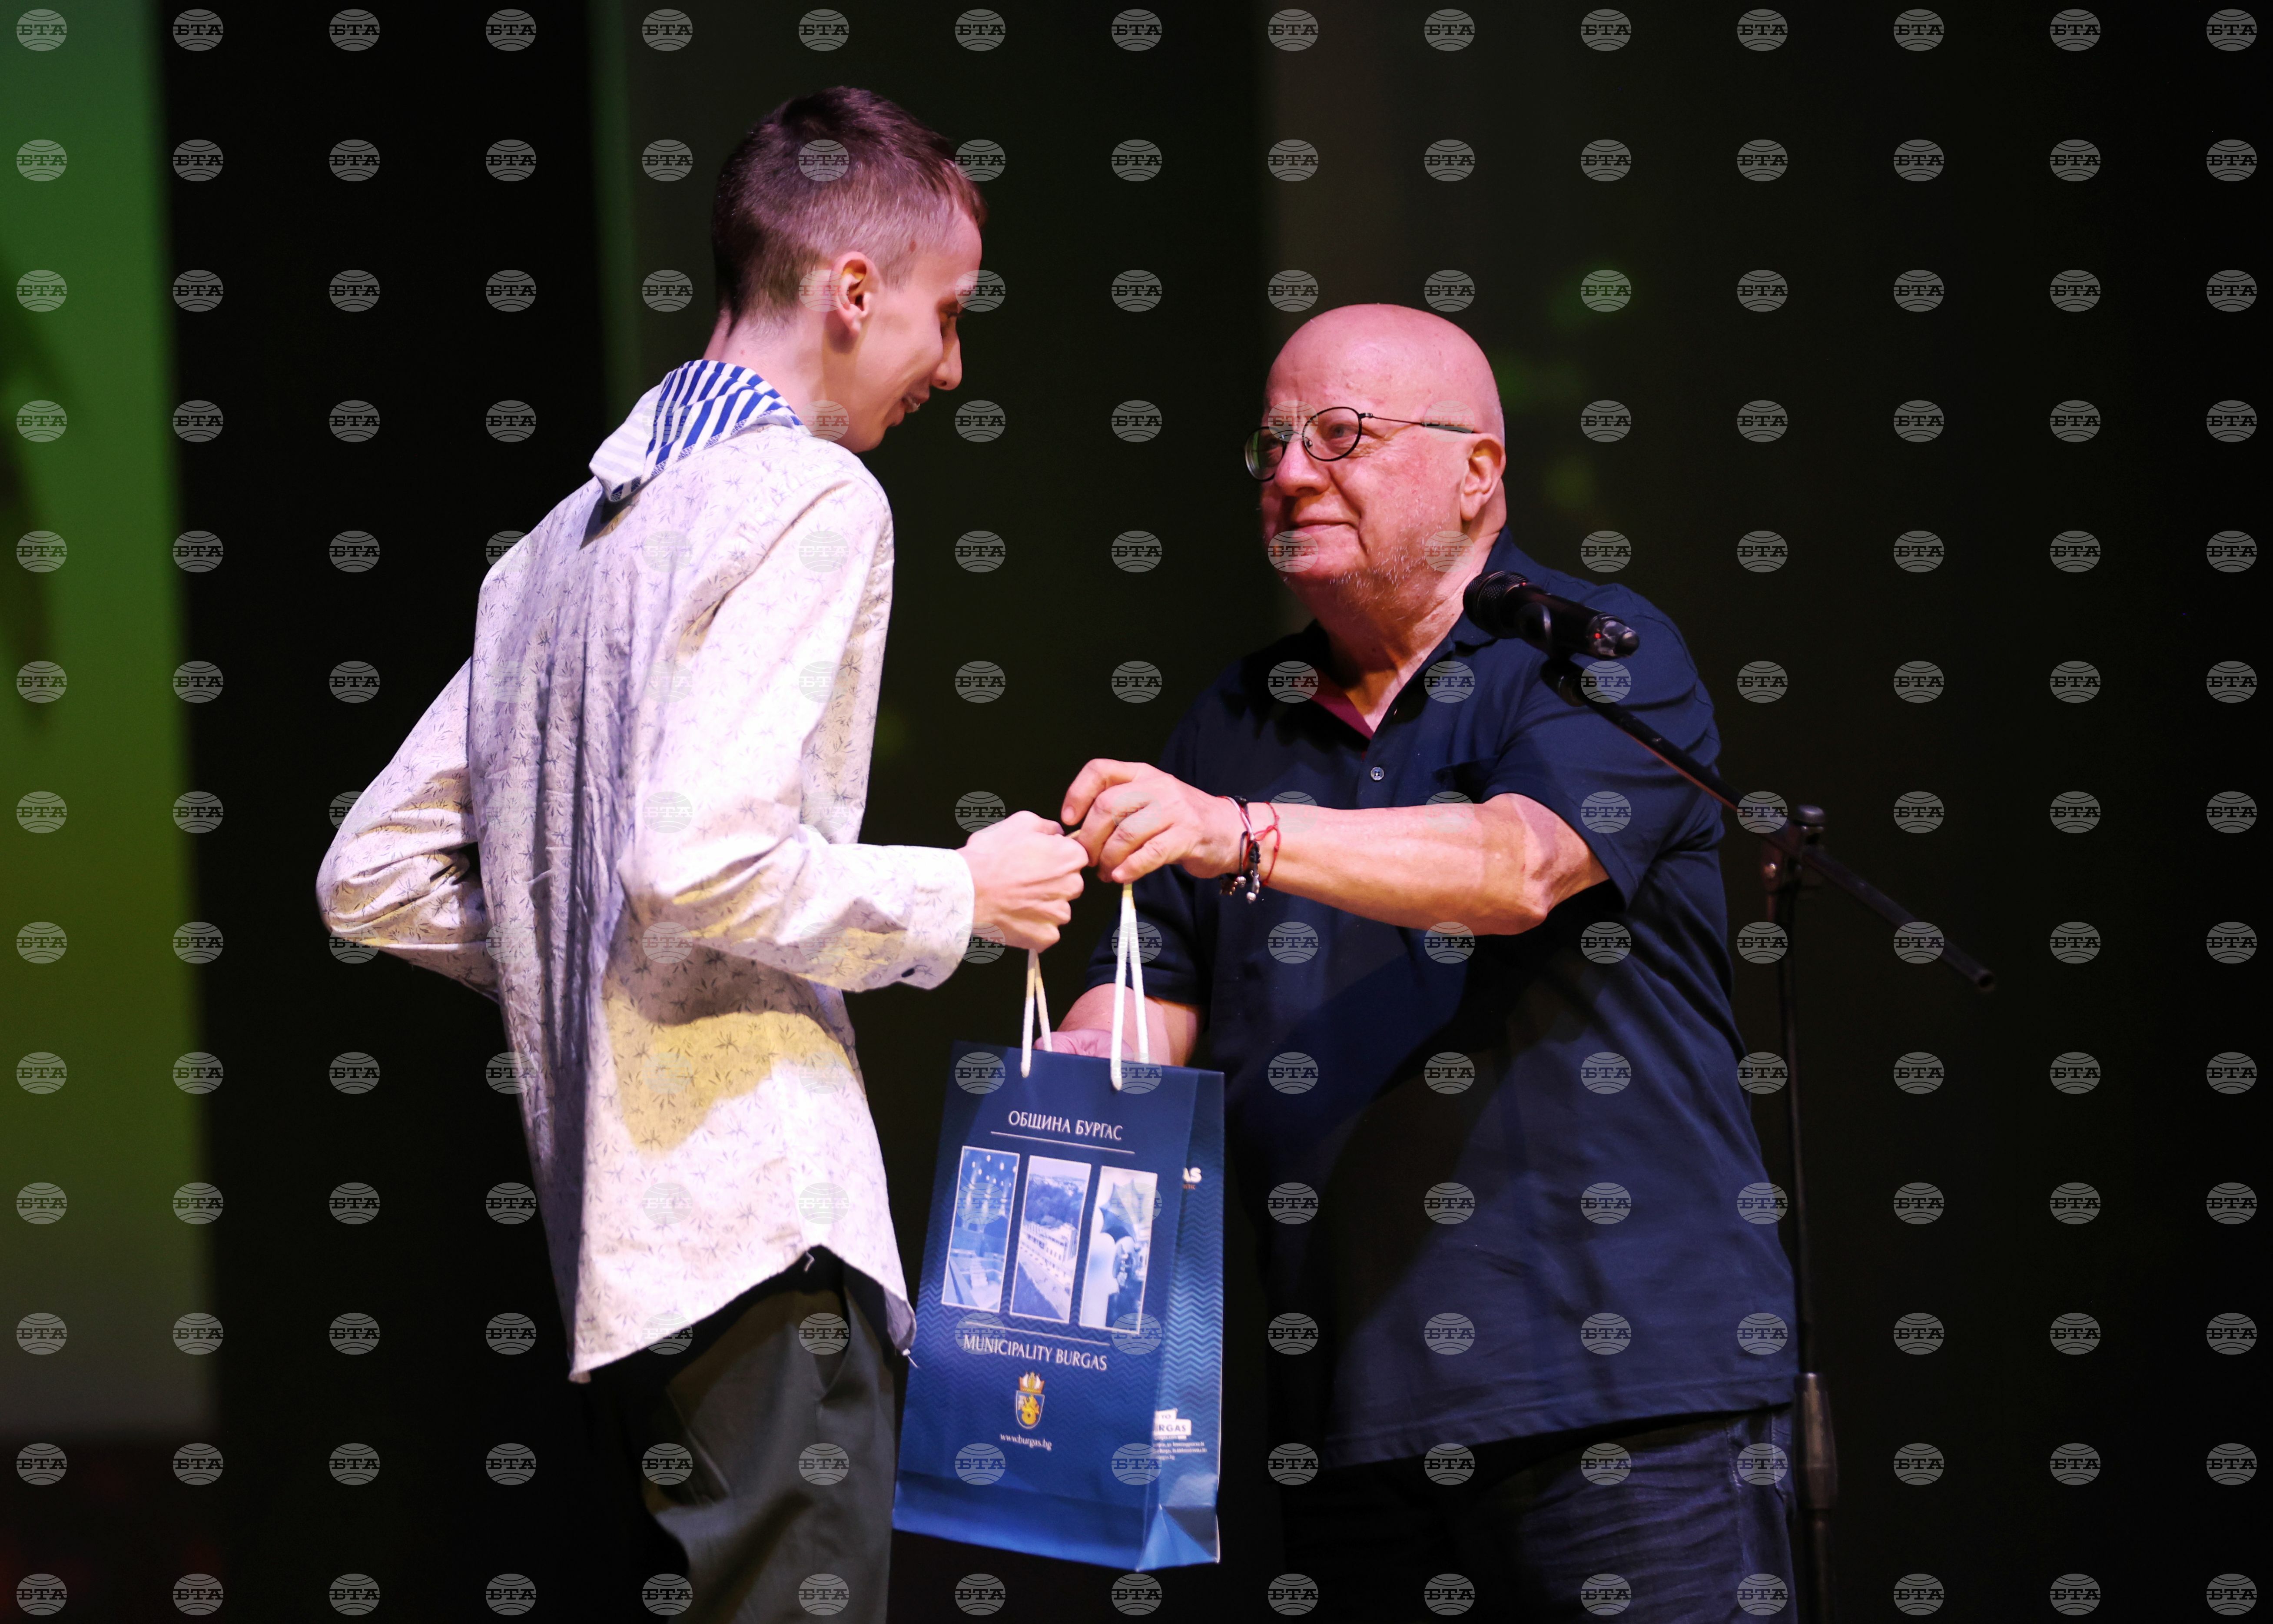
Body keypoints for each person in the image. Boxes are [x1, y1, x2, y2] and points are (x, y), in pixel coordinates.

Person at [314, 88, 1086, 1624]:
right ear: (853, 289)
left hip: (617, 1268)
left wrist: (591, 952)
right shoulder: (810, 493)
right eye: (947, 313)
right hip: (757, 1233)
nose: (952, 364)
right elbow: (698, 860)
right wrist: (964, 892)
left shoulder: (555, 551)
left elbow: (372, 870)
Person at [1049, 304, 1800, 1620]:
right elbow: (1145, 1013)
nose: (1292, 472)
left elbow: (1517, 868)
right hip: (1351, 1423)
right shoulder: (1231, 721)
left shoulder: (1593, 651)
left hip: (1628, 1397)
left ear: (1478, 472)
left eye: (1341, 435)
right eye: (1274, 443)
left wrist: (1246, 835)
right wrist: (1041, 1092)